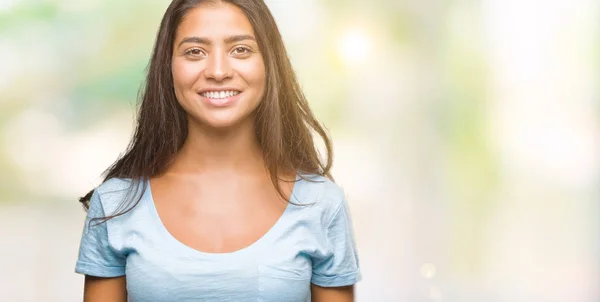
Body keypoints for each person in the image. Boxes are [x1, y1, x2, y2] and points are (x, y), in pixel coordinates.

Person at [75, 0, 361, 301]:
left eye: (241, 49)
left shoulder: (321, 204)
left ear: (269, 63)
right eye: (194, 52)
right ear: (168, 66)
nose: (218, 71)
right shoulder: (115, 203)